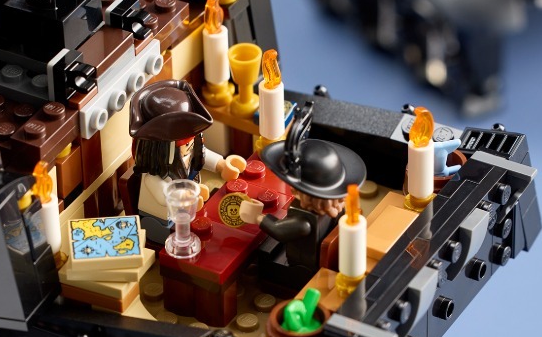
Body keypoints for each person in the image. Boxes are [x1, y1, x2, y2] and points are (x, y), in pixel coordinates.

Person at [240, 101, 366, 294]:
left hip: (300, 269)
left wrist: (257, 217)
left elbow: (279, 230)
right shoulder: (336, 209)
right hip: (313, 259)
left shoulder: (304, 221)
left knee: (262, 254)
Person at [129, 80, 242, 244]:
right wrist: (189, 196)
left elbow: (203, 155)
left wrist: (222, 165)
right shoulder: (152, 177)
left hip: (191, 213)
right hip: (165, 224)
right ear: (164, 150)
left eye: (192, 141)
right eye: (185, 144)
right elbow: (164, 196)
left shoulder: (187, 155)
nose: (190, 147)